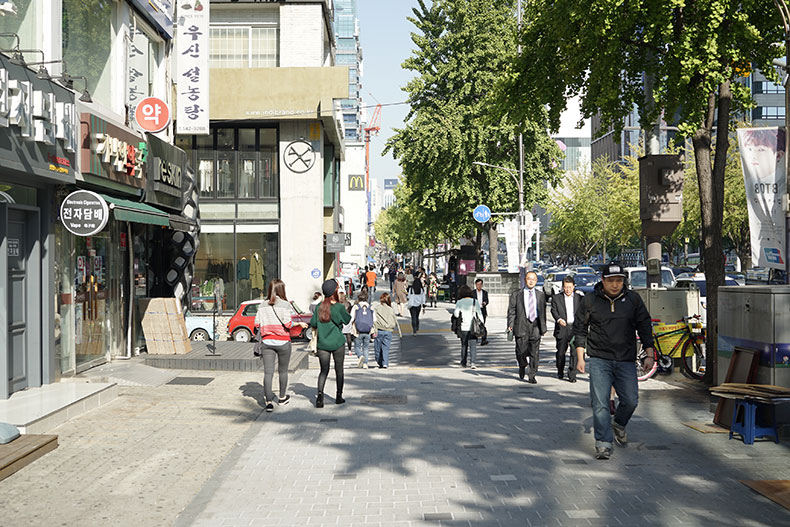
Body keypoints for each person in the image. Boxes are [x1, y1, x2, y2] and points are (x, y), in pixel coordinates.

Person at [573, 263, 655, 460]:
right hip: (600, 359)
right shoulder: (590, 300)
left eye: (619, 280)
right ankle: (603, 443)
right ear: (603, 280)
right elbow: (580, 329)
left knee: (630, 400)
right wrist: (580, 357)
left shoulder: (633, 299)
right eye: (611, 281)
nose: (615, 285)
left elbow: (644, 326)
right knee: (600, 402)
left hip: (626, 359)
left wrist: (649, 353)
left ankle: (618, 423)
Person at [254, 279, 307, 412]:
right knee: (283, 371)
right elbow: (288, 324)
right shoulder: (285, 305)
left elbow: (257, 324)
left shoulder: (262, 305)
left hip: (267, 342)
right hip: (283, 342)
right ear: (282, 290)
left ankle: (268, 402)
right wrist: (299, 324)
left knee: (268, 373)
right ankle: (282, 398)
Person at [309, 279, 351, 408]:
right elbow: (347, 320)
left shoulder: (319, 307)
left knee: (323, 370)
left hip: (323, 344)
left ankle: (319, 397)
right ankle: (338, 396)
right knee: (339, 370)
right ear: (334, 292)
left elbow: (313, 323)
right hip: (337, 342)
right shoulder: (338, 307)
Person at [506, 271, 547, 384]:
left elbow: (543, 312)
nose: (531, 281)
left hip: (535, 326)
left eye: (533, 279)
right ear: (525, 280)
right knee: (521, 351)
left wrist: (543, 327)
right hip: (521, 325)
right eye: (529, 279)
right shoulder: (516, 294)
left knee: (535, 352)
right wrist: (510, 325)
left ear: (536, 281)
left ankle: (532, 374)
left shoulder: (540, 295)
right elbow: (511, 311)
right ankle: (522, 364)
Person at [550, 275, 583, 382]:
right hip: (562, 328)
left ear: (573, 286)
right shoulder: (557, 298)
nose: (568, 290)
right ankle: (560, 370)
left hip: (575, 328)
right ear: (563, 287)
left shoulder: (579, 298)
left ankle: (572, 374)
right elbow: (553, 310)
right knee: (561, 352)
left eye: (570, 287)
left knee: (574, 353)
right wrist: (559, 319)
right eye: (566, 287)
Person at [453, 285, 484, 369]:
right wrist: (482, 324)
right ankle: (473, 363)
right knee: (473, 346)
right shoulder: (475, 301)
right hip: (473, 327)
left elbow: (456, 314)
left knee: (464, 345)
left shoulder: (459, 302)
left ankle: (463, 363)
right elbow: (479, 314)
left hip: (463, 327)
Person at [373, 292, 400, 368]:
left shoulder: (377, 308)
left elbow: (374, 320)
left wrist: (374, 329)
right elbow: (394, 320)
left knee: (377, 348)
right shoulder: (391, 309)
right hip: (388, 330)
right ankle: (385, 363)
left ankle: (379, 362)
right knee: (386, 348)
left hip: (379, 330)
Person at [350, 290, 374, 368]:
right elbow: (374, 320)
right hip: (368, 330)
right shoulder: (370, 307)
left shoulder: (356, 307)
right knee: (366, 348)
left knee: (357, 346)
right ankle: (365, 363)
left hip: (357, 331)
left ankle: (360, 356)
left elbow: (351, 318)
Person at [473, 278, 490, 345]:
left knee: (482, 325)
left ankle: (483, 339)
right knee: (475, 325)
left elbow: (487, 300)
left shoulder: (485, 292)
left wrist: (485, 303)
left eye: (480, 284)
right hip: (475, 311)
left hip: (482, 310)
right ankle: (475, 338)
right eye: (477, 284)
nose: (479, 286)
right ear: (475, 285)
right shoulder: (473, 292)